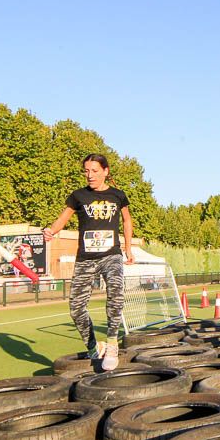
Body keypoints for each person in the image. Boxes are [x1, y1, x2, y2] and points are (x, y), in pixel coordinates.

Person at [43, 153, 136, 371]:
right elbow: (63, 218)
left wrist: (128, 248)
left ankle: (112, 342)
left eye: (94, 171)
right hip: (86, 258)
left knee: (115, 291)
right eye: (86, 171)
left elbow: (127, 219)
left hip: (111, 254)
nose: (90, 175)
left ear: (105, 171)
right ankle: (94, 347)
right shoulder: (78, 196)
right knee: (76, 308)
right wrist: (51, 231)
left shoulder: (118, 196)